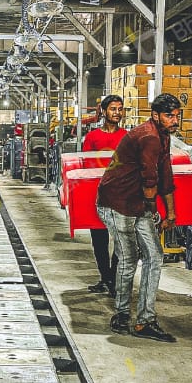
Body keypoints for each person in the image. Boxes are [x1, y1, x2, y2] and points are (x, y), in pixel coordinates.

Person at [96, 92, 181, 343]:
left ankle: (145, 321)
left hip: (138, 203)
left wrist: (171, 212)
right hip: (118, 202)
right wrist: (154, 210)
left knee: (155, 257)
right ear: (155, 115)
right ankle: (122, 315)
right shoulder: (149, 137)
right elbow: (150, 179)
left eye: (177, 116)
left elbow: (166, 174)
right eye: (169, 116)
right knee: (128, 258)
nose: (175, 120)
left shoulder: (163, 136)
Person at [82, 95, 127, 297]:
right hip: (98, 196)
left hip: (122, 197)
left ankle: (113, 279)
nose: (117, 113)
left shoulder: (127, 137)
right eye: (113, 109)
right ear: (104, 111)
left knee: (120, 241)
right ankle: (106, 278)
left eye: (120, 109)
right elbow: (86, 167)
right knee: (99, 242)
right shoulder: (92, 138)